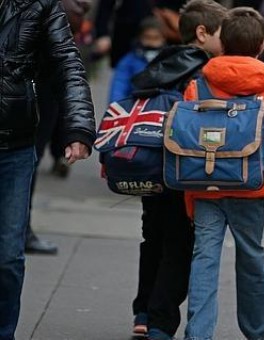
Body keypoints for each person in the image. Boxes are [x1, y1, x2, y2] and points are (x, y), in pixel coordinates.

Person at [181, 7, 264, 340]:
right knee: (251, 254)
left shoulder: (198, 85)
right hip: (250, 185)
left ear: (222, 42)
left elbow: (186, 139)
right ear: (263, 45)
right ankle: (257, 330)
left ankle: (197, 333)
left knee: (204, 258)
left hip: (205, 183)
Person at [126, 2, 227, 339]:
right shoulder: (204, 71)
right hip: (183, 170)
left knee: (152, 237)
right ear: (202, 33)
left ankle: (142, 311)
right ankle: (160, 321)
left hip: (150, 164)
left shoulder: (161, 61)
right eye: (220, 34)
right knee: (179, 244)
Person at [0, 0, 96, 339]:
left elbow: (67, 63)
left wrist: (79, 128)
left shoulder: (39, 5)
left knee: (8, 258)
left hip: (14, 142)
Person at [25, 0, 93, 256]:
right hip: (30, 79)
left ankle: (21, 229)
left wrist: (78, 129)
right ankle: (20, 230)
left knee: (28, 157)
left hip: (40, 79)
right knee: (26, 156)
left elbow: (69, 70)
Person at [108, 17, 166, 104]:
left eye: (156, 38)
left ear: (163, 39)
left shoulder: (169, 61)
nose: (151, 42)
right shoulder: (128, 62)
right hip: (132, 109)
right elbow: (118, 89)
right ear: (140, 37)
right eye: (147, 37)